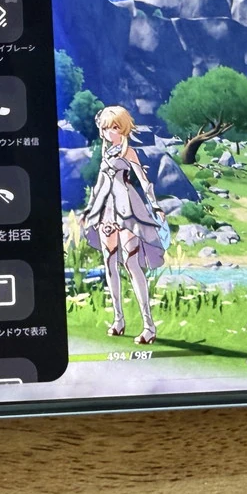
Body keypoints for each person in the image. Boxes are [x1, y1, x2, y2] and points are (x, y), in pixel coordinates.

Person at [80, 105, 167, 344]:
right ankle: (118, 319)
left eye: (113, 128)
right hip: (106, 211)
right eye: (105, 128)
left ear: (123, 128)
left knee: (131, 264)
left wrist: (155, 206)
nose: (108, 133)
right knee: (109, 262)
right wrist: (89, 210)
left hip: (128, 209)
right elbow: (99, 184)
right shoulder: (106, 153)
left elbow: (144, 181)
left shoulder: (129, 152)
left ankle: (149, 325)